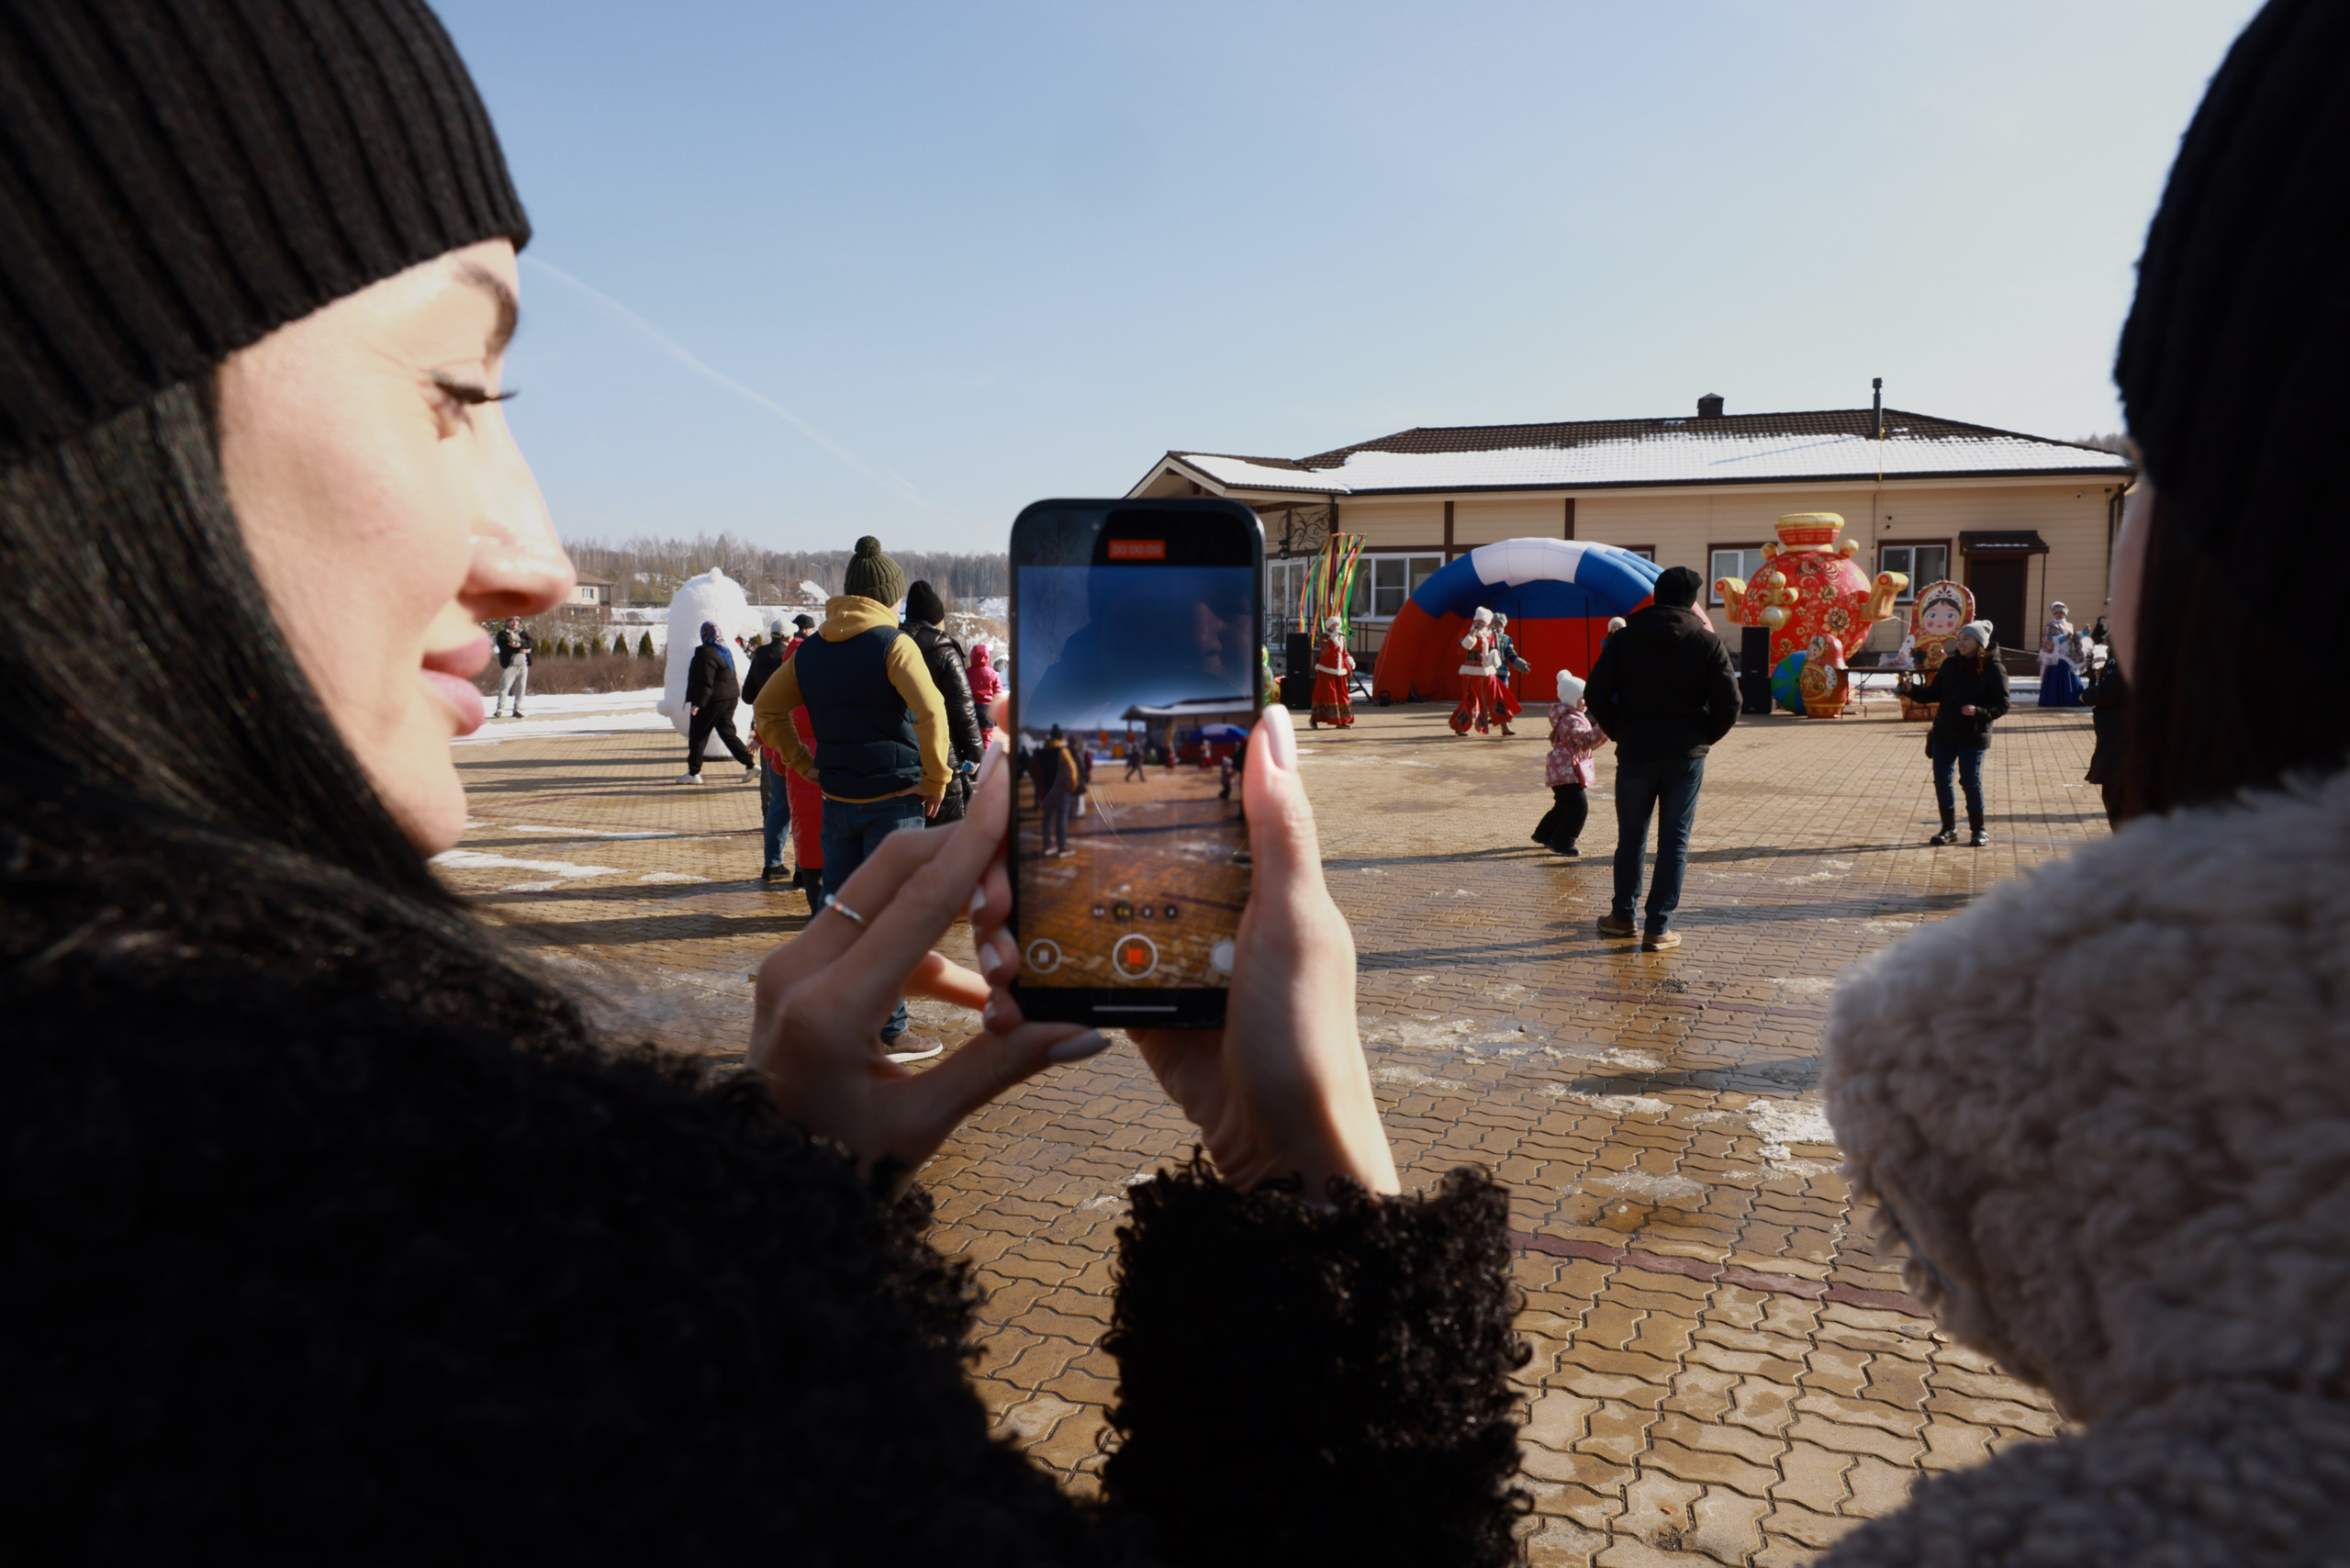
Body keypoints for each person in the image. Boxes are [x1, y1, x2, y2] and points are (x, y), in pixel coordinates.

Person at [0, 6, 1526, 1559]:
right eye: (457, 388)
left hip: (824, 819)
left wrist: (779, 796)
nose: (539, 558)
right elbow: (949, 744)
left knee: (844, 922)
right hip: (903, 820)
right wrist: (1303, 1187)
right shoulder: (477, 1279)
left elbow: (776, 716)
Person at [1820, 9, 2350, 1561]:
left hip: (1975, 751)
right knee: (1955, 792)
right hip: (1951, 750)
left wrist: (1303, 1174)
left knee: (1965, 792)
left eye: (2141, 471)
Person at [752, 537, 952, 1058]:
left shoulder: (812, 649)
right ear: (887, 596)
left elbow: (766, 713)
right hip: (895, 800)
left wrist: (804, 765)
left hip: (838, 801)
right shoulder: (894, 642)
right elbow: (932, 712)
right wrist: (936, 779)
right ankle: (889, 1031)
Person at [1582, 565, 1740, 952]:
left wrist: (1621, 729)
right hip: (1685, 755)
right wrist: (1702, 737)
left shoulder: (1624, 640)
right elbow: (1730, 702)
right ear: (1692, 601)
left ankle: (1622, 917)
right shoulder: (1707, 642)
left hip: (1636, 750)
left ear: (1656, 595)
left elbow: (1595, 691)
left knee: (1631, 837)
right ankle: (1658, 928)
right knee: (1675, 842)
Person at [1895, 620, 2009, 846]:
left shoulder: (1993, 668)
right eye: (1959, 638)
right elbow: (1932, 694)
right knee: (1942, 781)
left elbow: (2002, 704)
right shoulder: (1950, 665)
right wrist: (1912, 690)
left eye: (1967, 639)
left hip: (1973, 734)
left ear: (1980, 643)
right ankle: (1949, 829)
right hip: (1945, 732)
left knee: (1969, 780)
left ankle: (1979, 830)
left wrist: (1979, 711)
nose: (1961, 643)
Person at [904, 580, 985, 826]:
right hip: (942, 750)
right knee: (946, 835)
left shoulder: (891, 643)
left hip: (901, 750)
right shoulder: (944, 648)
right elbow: (962, 705)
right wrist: (974, 749)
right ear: (937, 618)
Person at [744, 617, 799, 881]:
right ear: (789, 637)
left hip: (768, 739)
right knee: (803, 806)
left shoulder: (758, 658)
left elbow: (746, 696)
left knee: (777, 805)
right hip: (798, 742)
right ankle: (805, 868)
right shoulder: (795, 662)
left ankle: (772, 864)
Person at [1532, 671, 1605, 856]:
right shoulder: (1571, 719)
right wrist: (1604, 727)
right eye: (1582, 699)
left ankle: (1543, 834)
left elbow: (1585, 744)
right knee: (1578, 808)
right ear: (1572, 699)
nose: (1585, 703)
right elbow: (1585, 740)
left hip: (1561, 770)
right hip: (1566, 771)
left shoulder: (1569, 716)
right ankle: (1563, 842)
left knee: (1563, 805)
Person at [678, 619, 755, 784]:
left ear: (705, 635)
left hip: (713, 701)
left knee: (698, 736)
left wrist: (699, 703)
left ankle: (693, 773)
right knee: (728, 735)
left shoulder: (707, 653)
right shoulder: (723, 649)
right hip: (729, 698)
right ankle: (750, 765)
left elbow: (706, 681)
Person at [2081, 644, 2128, 830]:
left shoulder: (2129, 646)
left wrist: (2088, 695)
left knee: (2119, 802)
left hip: (2121, 742)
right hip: (2117, 739)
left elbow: (2114, 689)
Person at [1449, 606, 1501, 735]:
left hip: (1486, 673)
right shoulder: (1465, 633)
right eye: (1477, 623)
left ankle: (1504, 725)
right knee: (1470, 700)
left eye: (1482, 624)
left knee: (1495, 698)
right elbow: (1461, 651)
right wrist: (1471, 637)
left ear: (1486, 625)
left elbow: (1494, 651)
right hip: (1470, 673)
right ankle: (1459, 726)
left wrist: (1494, 657)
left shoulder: (1491, 636)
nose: (1478, 625)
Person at [1035, 723, 1080, 855]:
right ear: (1060, 738)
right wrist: (1073, 784)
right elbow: (1072, 767)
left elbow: (1033, 767)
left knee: (1047, 817)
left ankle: (1047, 845)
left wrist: (1039, 781)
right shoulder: (1062, 751)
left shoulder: (1043, 751)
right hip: (1062, 789)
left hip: (1047, 788)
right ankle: (1062, 846)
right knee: (1061, 817)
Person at [1310, 615, 1356, 729]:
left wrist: (1349, 660)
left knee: (1341, 695)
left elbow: (1344, 652)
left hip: (1340, 671)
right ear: (1328, 626)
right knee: (1324, 695)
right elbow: (1325, 652)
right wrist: (1333, 640)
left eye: (1336, 625)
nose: (1335, 627)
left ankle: (1341, 720)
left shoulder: (1341, 637)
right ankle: (1314, 719)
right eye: (1332, 625)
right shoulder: (1323, 637)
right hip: (1326, 670)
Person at [2037, 599, 2085, 706]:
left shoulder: (2070, 625)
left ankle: (2071, 699)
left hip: (2068, 656)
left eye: (2061, 613)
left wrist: (2084, 633)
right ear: (2054, 613)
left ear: (2065, 614)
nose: (2059, 615)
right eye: (2057, 613)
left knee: (2070, 677)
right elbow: (2046, 640)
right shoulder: (2050, 626)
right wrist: (2061, 638)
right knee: (2055, 678)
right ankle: (2054, 700)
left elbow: (2075, 638)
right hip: (2056, 658)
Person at [1489, 611, 1529, 736]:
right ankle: (1462, 726)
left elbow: (1511, 654)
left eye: (1499, 623)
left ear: (1503, 625)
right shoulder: (1486, 636)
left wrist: (1521, 665)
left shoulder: (1506, 639)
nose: (1496, 625)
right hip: (1486, 671)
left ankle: (1504, 722)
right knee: (1484, 697)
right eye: (1494, 622)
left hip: (1501, 671)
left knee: (1502, 696)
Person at [492, 615, 533, 717]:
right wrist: (520, 649)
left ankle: (517, 709)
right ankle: (500, 709)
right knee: (504, 687)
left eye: (516, 622)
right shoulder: (502, 634)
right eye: (512, 622)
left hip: (523, 665)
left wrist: (519, 644)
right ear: (507, 623)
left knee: (521, 687)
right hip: (510, 665)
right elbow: (505, 647)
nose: (514, 624)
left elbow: (531, 643)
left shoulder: (523, 633)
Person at [965, 641, 1002, 746]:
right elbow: (998, 695)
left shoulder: (967, 672)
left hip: (970, 708)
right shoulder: (993, 674)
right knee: (986, 738)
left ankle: (973, 759)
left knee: (971, 737)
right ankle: (985, 760)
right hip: (987, 709)